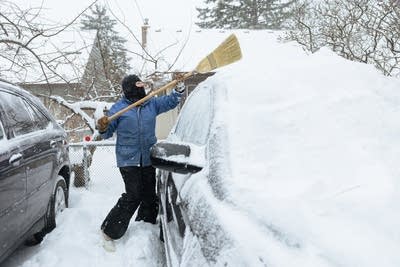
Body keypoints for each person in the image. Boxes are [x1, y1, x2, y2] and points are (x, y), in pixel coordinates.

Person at [96, 74, 185, 250]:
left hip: (147, 157)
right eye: (138, 86)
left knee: (149, 195)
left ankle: (146, 224)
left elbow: (169, 102)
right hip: (128, 159)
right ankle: (109, 230)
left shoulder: (150, 103)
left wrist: (179, 89)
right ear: (129, 88)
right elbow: (106, 133)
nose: (141, 88)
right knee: (133, 195)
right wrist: (103, 126)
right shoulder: (118, 109)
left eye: (142, 85)